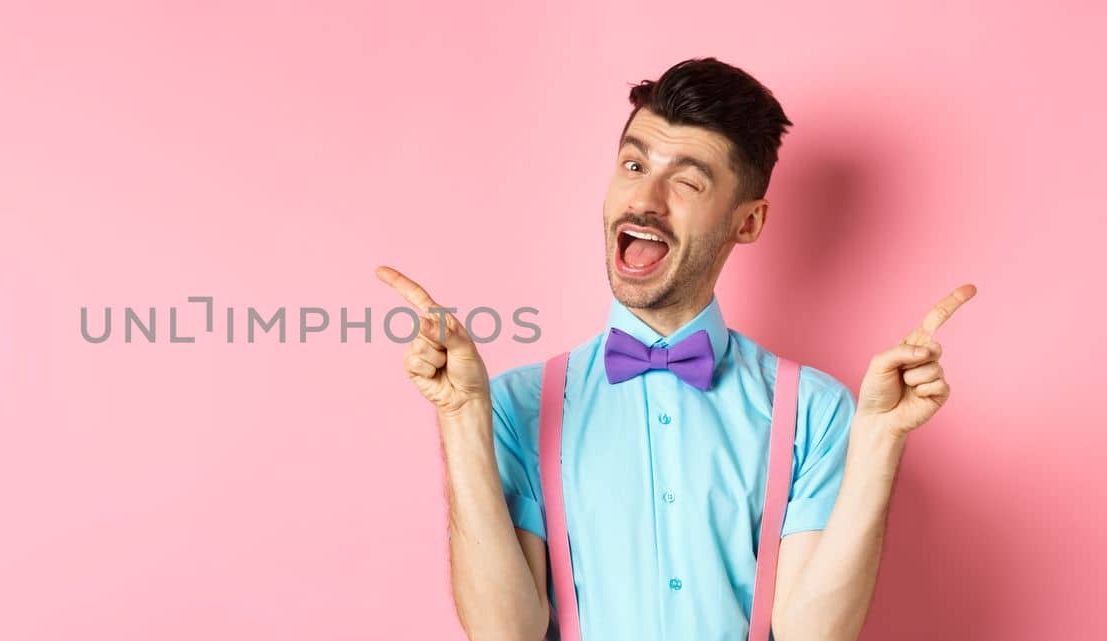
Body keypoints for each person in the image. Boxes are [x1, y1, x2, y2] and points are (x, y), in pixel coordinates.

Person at [375, 57, 975, 641]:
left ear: (749, 222)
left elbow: (811, 635)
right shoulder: (516, 403)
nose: (645, 200)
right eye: (633, 166)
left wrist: (881, 439)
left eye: (687, 181)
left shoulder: (816, 410)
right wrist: (459, 419)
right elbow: (504, 633)